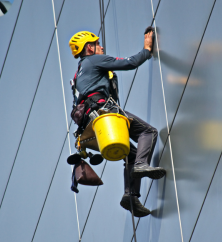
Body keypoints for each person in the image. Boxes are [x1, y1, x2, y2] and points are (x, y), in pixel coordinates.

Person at [68, 29, 165, 217]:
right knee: (148, 133)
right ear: (89, 48)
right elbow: (130, 63)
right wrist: (146, 50)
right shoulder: (93, 60)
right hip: (104, 114)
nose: (101, 47)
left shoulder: (79, 73)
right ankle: (141, 165)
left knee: (132, 153)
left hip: (90, 127)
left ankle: (130, 197)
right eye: (97, 44)